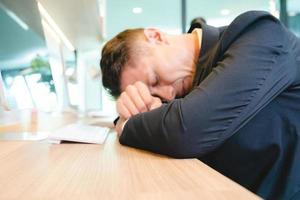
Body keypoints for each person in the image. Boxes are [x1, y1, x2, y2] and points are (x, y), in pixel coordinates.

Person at [100, 10, 300, 199]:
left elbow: (187, 130)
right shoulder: (184, 83)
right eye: (152, 94)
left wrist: (126, 125)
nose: (166, 95)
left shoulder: (259, 33)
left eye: (155, 80)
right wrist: (130, 109)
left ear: (155, 36)